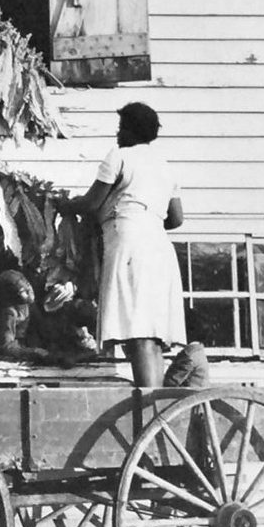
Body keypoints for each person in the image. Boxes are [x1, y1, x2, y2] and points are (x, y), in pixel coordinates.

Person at [60, 102, 185, 386]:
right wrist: (146, 217)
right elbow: (176, 219)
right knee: (151, 335)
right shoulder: (165, 167)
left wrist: (65, 205)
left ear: (131, 130)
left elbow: (91, 203)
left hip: (129, 243)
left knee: (137, 331)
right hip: (159, 246)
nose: (118, 134)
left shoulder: (120, 156)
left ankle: (148, 403)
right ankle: (154, 400)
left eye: (121, 128)